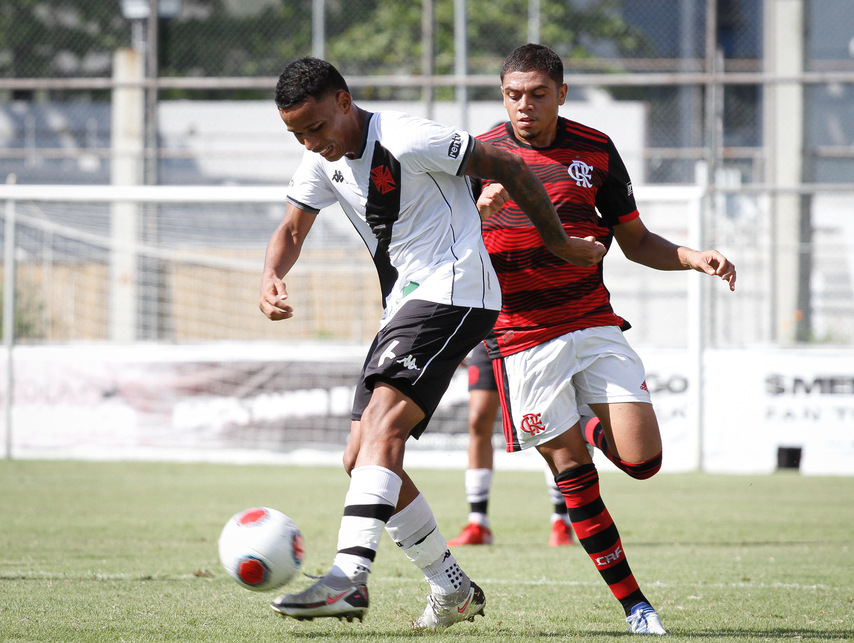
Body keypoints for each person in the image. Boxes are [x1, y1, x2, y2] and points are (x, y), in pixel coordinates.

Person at [258, 57, 605, 631]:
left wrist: (561, 243)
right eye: (297, 135)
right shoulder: (321, 160)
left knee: (382, 428)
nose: (311, 143)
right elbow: (293, 229)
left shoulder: (407, 137)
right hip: (405, 305)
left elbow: (507, 164)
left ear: (343, 102)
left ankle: (349, 576)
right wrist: (272, 274)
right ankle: (452, 588)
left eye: (316, 128)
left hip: (456, 288)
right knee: (361, 457)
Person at [474, 44, 737, 636]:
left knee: (644, 463)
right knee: (574, 473)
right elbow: (445, 247)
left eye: (538, 94)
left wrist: (693, 256)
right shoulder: (479, 157)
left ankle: (584, 425)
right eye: (513, 95)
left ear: (561, 94)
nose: (524, 105)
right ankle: (636, 607)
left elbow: (636, 241)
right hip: (522, 337)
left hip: (591, 319)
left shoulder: (595, 150)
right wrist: (479, 215)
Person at [447, 342, 575, 547]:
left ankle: (562, 521)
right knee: (478, 420)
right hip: (488, 341)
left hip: (529, 341)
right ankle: (478, 523)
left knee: (547, 421)